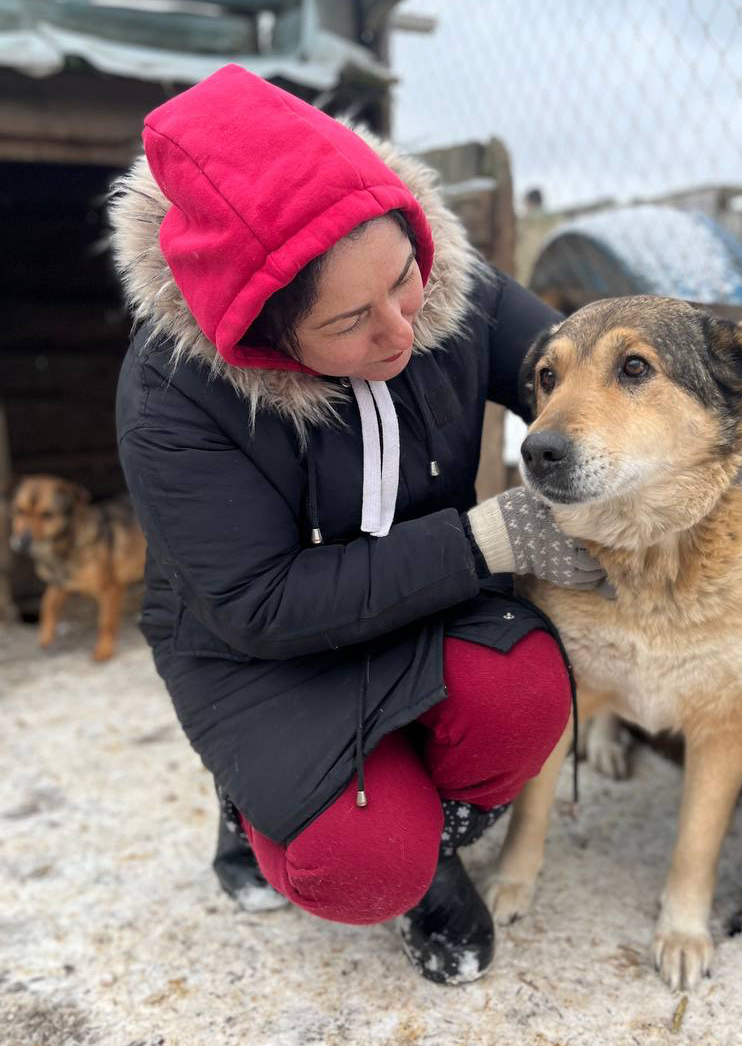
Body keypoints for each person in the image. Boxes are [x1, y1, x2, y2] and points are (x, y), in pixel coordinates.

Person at [109, 64, 608, 985]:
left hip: (428, 600)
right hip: (260, 646)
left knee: (523, 697)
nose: (401, 329)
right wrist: (483, 543)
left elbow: (580, 372)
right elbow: (259, 603)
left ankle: (429, 832)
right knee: (361, 863)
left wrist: (697, 405)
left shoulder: (442, 286)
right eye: (351, 320)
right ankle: (365, 849)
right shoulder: (175, 397)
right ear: (260, 332)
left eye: (403, 278)